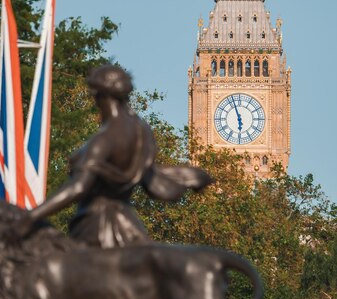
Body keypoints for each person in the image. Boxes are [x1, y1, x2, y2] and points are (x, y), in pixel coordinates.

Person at [15, 65, 211, 248]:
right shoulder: (141, 129)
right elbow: (149, 174)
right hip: (128, 223)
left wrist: (31, 217)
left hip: (95, 227)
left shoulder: (105, 138)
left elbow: (78, 187)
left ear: (99, 94)